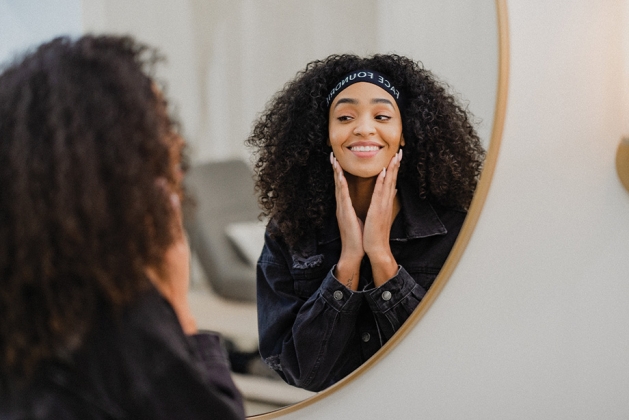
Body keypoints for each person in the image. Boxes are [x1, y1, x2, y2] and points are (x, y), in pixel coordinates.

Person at [0, 35, 245, 419]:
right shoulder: (124, 326)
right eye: (156, 126)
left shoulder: (24, 311)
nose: (175, 141)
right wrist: (179, 309)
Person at [246, 54, 485, 392]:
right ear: (325, 134)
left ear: (404, 133)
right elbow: (300, 371)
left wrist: (381, 256)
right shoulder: (289, 232)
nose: (363, 127)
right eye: (345, 116)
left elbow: (451, 362)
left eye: (382, 115)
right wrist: (348, 264)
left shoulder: (456, 229)